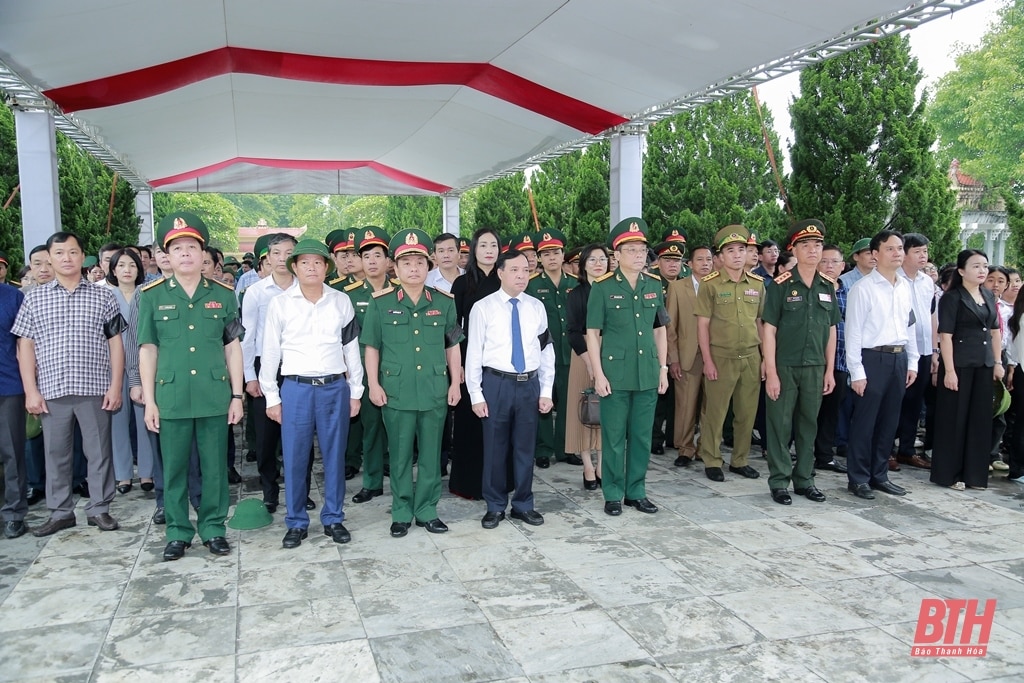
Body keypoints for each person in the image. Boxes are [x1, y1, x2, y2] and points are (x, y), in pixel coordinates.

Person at [137, 212, 244, 560]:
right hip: (172, 397)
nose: (185, 254)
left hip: (214, 395)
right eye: (177, 247)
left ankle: (213, 528)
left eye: (192, 247)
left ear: (204, 255)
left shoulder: (225, 295)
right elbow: (148, 350)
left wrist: (238, 395)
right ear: (165, 255)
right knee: (174, 468)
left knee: (214, 468)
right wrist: (150, 401)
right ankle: (178, 532)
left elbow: (233, 347)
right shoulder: (152, 296)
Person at [13, 231, 125, 536]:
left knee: (99, 452)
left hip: (94, 389)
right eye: (60, 253)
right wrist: (30, 391)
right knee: (55, 453)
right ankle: (60, 511)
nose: (66, 258)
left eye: (73, 252)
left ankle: (99, 508)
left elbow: (116, 343)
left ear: (82, 256)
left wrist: (116, 386)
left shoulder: (103, 296)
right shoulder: (34, 297)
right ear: (49, 258)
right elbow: (25, 346)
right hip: (51, 391)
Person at [260, 239, 363, 547]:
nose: (311, 268)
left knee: (334, 455)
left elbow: (351, 348)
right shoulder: (280, 304)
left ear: (326, 267)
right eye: (304, 262)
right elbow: (270, 352)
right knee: (294, 457)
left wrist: (355, 390)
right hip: (296, 389)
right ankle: (296, 522)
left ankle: (333, 518)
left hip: (334, 387)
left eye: (318, 262)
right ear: (295, 266)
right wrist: (271, 396)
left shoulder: (340, 301)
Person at [363, 229, 462, 537]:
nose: (414, 268)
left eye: (419, 262)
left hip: (434, 389)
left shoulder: (445, 303)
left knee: (432, 455)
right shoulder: (381, 303)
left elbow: (453, 346)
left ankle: (427, 510)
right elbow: (372, 347)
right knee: (401, 453)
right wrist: (373, 385)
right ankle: (402, 510)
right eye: (407, 263)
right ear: (396, 267)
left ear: (428, 265)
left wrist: (456, 383)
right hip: (397, 391)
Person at [586, 217, 669, 516]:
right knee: (613, 436)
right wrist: (598, 373)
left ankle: (636, 491)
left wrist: (663, 369)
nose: (638, 255)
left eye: (642, 250)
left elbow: (660, 330)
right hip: (615, 374)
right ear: (616, 255)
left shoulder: (655, 285)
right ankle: (612, 493)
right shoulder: (603, 287)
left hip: (647, 372)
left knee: (642, 436)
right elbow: (592, 333)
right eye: (631, 250)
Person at [468, 248, 555, 528]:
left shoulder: (536, 307)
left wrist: (546, 390)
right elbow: (474, 353)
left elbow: (546, 350)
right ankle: (494, 505)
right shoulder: (483, 307)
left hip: (529, 384)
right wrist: (476, 394)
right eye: (515, 270)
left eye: (526, 270)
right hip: (496, 384)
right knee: (494, 448)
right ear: (500, 272)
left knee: (525, 449)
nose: (521, 275)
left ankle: (523, 504)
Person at [761, 220, 839, 505]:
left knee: (809, 425)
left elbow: (831, 329)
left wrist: (830, 370)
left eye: (817, 245)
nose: (813, 250)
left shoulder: (827, 285)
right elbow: (768, 328)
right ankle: (779, 481)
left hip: (816, 366)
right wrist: (771, 371)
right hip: (785, 365)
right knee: (780, 425)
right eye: (805, 245)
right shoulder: (781, 285)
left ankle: (805, 479)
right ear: (794, 249)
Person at [844, 230, 918, 500]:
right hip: (871, 359)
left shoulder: (904, 286)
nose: (897, 253)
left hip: (899, 359)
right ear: (875, 254)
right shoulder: (862, 289)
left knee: (889, 421)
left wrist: (913, 362)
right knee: (865, 422)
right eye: (890, 248)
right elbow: (852, 333)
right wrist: (857, 372)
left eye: (900, 248)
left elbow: (910, 327)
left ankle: (879, 474)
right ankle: (859, 478)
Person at [694, 225, 765, 482]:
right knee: (715, 412)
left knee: (746, 414)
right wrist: (708, 361)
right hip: (720, 358)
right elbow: (702, 324)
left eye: (742, 250)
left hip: (750, 357)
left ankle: (740, 460)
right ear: (720, 257)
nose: (737, 255)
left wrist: (766, 358)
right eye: (730, 251)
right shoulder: (710, 285)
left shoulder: (757, 284)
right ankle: (712, 459)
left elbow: (760, 323)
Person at [931, 249, 1002, 490]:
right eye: (976, 266)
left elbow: (994, 331)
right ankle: (949, 474)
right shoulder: (952, 298)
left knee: (980, 420)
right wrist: (949, 370)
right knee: (955, 420)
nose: (982, 270)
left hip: (983, 364)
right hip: (959, 365)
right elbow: (946, 336)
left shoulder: (988, 296)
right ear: (961, 271)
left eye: (984, 266)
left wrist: (998, 362)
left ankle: (974, 474)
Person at [241, 233, 298, 513]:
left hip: (301, 366)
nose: (282, 259)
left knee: (300, 433)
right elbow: (247, 337)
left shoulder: (309, 287)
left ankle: (300, 490)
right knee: (266, 437)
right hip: (267, 368)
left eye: (289, 252)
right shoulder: (256, 292)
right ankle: (269, 488)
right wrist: (249, 375)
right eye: (276, 253)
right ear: (267, 258)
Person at [336, 227, 393, 503]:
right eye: (366, 256)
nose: (371, 261)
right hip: (364, 372)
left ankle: (398, 474)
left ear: (388, 261)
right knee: (370, 427)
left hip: (396, 371)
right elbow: (342, 337)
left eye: (377, 255)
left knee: (399, 428)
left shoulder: (402, 291)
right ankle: (371, 482)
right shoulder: (348, 294)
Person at [448, 228, 501, 499]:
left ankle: (499, 481)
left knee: (498, 421)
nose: (489, 250)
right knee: (470, 422)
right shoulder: (462, 283)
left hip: (501, 361)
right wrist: (457, 364)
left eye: (494, 245)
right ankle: (468, 483)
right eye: (483, 245)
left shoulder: (507, 279)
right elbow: (453, 327)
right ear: (473, 251)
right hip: (470, 360)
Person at [527, 228, 579, 468]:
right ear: (539, 258)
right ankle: (543, 449)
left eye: (555, 252)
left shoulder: (575, 284)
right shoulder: (532, 285)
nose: (551, 258)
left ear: (563, 254)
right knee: (543, 401)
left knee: (569, 403)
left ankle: (566, 448)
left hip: (571, 352)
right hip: (542, 354)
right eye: (545, 254)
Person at [105, 248, 155, 494]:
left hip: (142, 366)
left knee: (145, 419)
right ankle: (123, 475)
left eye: (132, 265)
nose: (127, 270)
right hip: (111, 368)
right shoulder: (103, 295)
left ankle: (147, 472)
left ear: (140, 269)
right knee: (117, 421)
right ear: (113, 270)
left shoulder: (146, 294)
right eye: (121, 265)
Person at [666, 245, 714, 467]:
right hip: (688, 355)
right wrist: (673, 358)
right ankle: (685, 448)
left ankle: (706, 447)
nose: (705, 263)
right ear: (690, 264)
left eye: (709, 259)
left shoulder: (719, 285)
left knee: (711, 405)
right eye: (700, 260)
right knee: (686, 404)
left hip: (716, 354)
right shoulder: (677, 287)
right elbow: (671, 327)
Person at [565, 243, 608, 489]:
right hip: (582, 354)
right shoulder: (576, 294)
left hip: (610, 352)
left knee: (606, 409)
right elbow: (571, 331)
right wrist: (590, 363)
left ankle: (602, 464)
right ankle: (587, 466)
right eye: (592, 260)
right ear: (583, 265)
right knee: (582, 408)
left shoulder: (614, 291)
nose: (598, 264)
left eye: (602, 259)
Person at [893, 233, 935, 471]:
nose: (923, 256)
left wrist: (935, 350)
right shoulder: (894, 280)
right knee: (894, 401)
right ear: (904, 253)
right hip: (900, 349)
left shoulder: (927, 282)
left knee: (915, 402)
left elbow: (931, 316)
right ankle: (886, 449)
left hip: (924, 349)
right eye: (917, 251)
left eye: (925, 251)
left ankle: (906, 450)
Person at [813, 244, 850, 475]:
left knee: (831, 412)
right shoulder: (812, 289)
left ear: (842, 266)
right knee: (808, 411)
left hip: (841, 361)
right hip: (814, 360)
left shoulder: (850, 291)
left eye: (834, 262)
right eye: (824, 261)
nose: (828, 266)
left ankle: (824, 456)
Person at [649, 238, 685, 456]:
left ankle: (674, 437)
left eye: (677, 260)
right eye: (668, 260)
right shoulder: (652, 283)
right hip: (657, 349)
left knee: (677, 399)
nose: (673, 265)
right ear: (658, 262)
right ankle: (655, 439)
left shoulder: (686, 284)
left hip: (683, 348)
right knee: (659, 399)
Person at [1, 278, 28, 537]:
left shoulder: (13, 297)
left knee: (12, 452)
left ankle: (14, 512)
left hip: (8, 386)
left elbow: (25, 343)